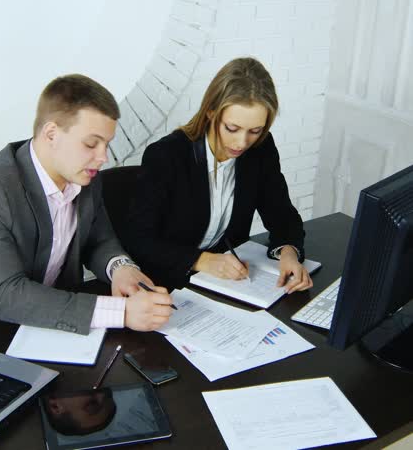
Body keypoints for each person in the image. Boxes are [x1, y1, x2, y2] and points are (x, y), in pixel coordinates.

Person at [0, 74, 173, 334]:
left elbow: (99, 241)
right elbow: (8, 296)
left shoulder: (85, 177)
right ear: (51, 133)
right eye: (91, 143)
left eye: (106, 144)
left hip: (54, 326)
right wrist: (121, 313)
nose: (103, 157)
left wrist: (122, 269)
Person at [124, 57, 313, 293]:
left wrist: (288, 252)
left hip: (226, 281)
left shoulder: (260, 149)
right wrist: (202, 260)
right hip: (167, 282)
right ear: (211, 112)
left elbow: (281, 213)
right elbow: (139, 240)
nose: (242, 142)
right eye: (232, 129)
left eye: (255, 131)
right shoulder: (167, 155)